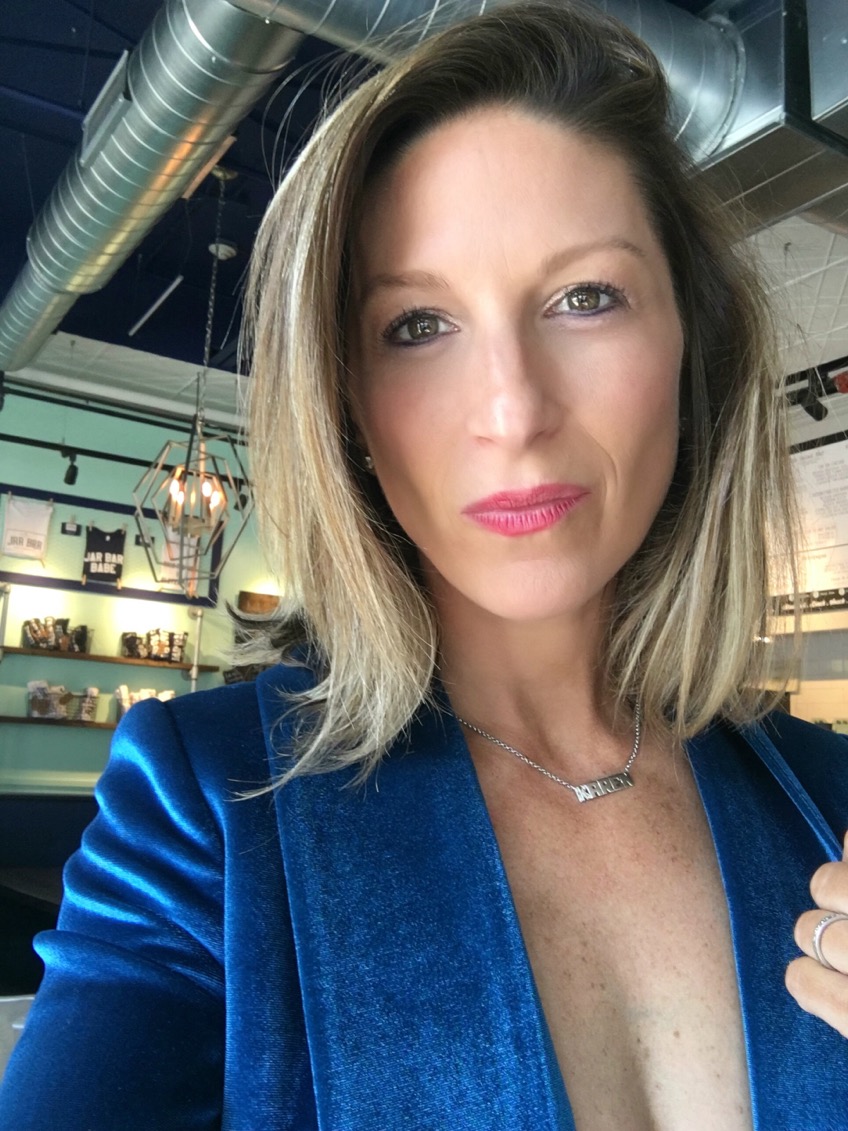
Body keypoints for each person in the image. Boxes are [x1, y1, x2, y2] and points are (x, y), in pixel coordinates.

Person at [2, 3, 847, 1127]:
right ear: (347, 404)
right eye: (416, 325)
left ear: (692, 346)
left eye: (585, 298)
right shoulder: (208, 808)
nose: (513, 410)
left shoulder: (828, 798)